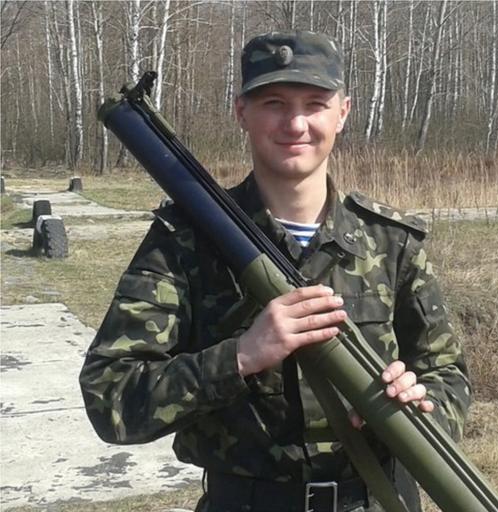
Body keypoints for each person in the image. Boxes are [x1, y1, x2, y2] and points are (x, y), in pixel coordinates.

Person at [79, 31, 471, 512]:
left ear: (342, 113)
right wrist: (241, 356)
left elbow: (448, 374)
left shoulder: (392, 243)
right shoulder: (185, 241)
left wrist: (422, 407)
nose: (296, 123)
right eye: (274, 103)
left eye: (315, 104)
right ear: (242, 111)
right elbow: (110, 396)